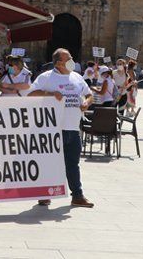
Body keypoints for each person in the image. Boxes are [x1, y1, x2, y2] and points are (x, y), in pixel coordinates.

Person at [28, 48, 94, 208]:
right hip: (53, 129)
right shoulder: (46, 78)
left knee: (73, 164)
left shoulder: (77, 77)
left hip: (73, 128)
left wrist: (86, 102)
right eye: (68, 59)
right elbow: (30, 95)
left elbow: (89, 94)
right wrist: (49, 94)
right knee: (49, 162)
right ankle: (44, 194)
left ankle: (77, 195)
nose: (72, 61)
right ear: (58, 62)